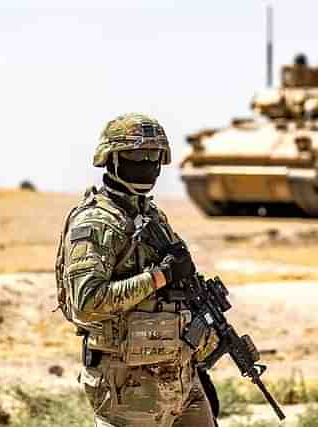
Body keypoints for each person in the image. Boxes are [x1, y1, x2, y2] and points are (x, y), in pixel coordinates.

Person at [54, 113, 219, 427]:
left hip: (179, 377)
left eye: (154, 156)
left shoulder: (152, 216)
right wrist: (160, 276)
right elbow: (87, 304)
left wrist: (198, 361)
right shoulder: (96, 222)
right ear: (111, 159)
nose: (147, 164)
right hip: (128, 385)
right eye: (136, 156)